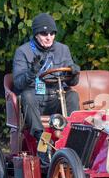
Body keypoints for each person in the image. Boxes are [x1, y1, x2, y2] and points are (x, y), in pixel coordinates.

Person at [12, 13, 80, 154]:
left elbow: (72, 82)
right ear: (36, 34)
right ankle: (42, 140)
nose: (49, 37)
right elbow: (18, 83)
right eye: (44, 33)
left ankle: (71, 137)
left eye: (52, 33)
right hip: (35, 98)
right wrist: (31, 72)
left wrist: (74, 73)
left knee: (72, 96)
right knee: (27, 95)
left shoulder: (63, 49)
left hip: (56, 97)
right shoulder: (23, 52)